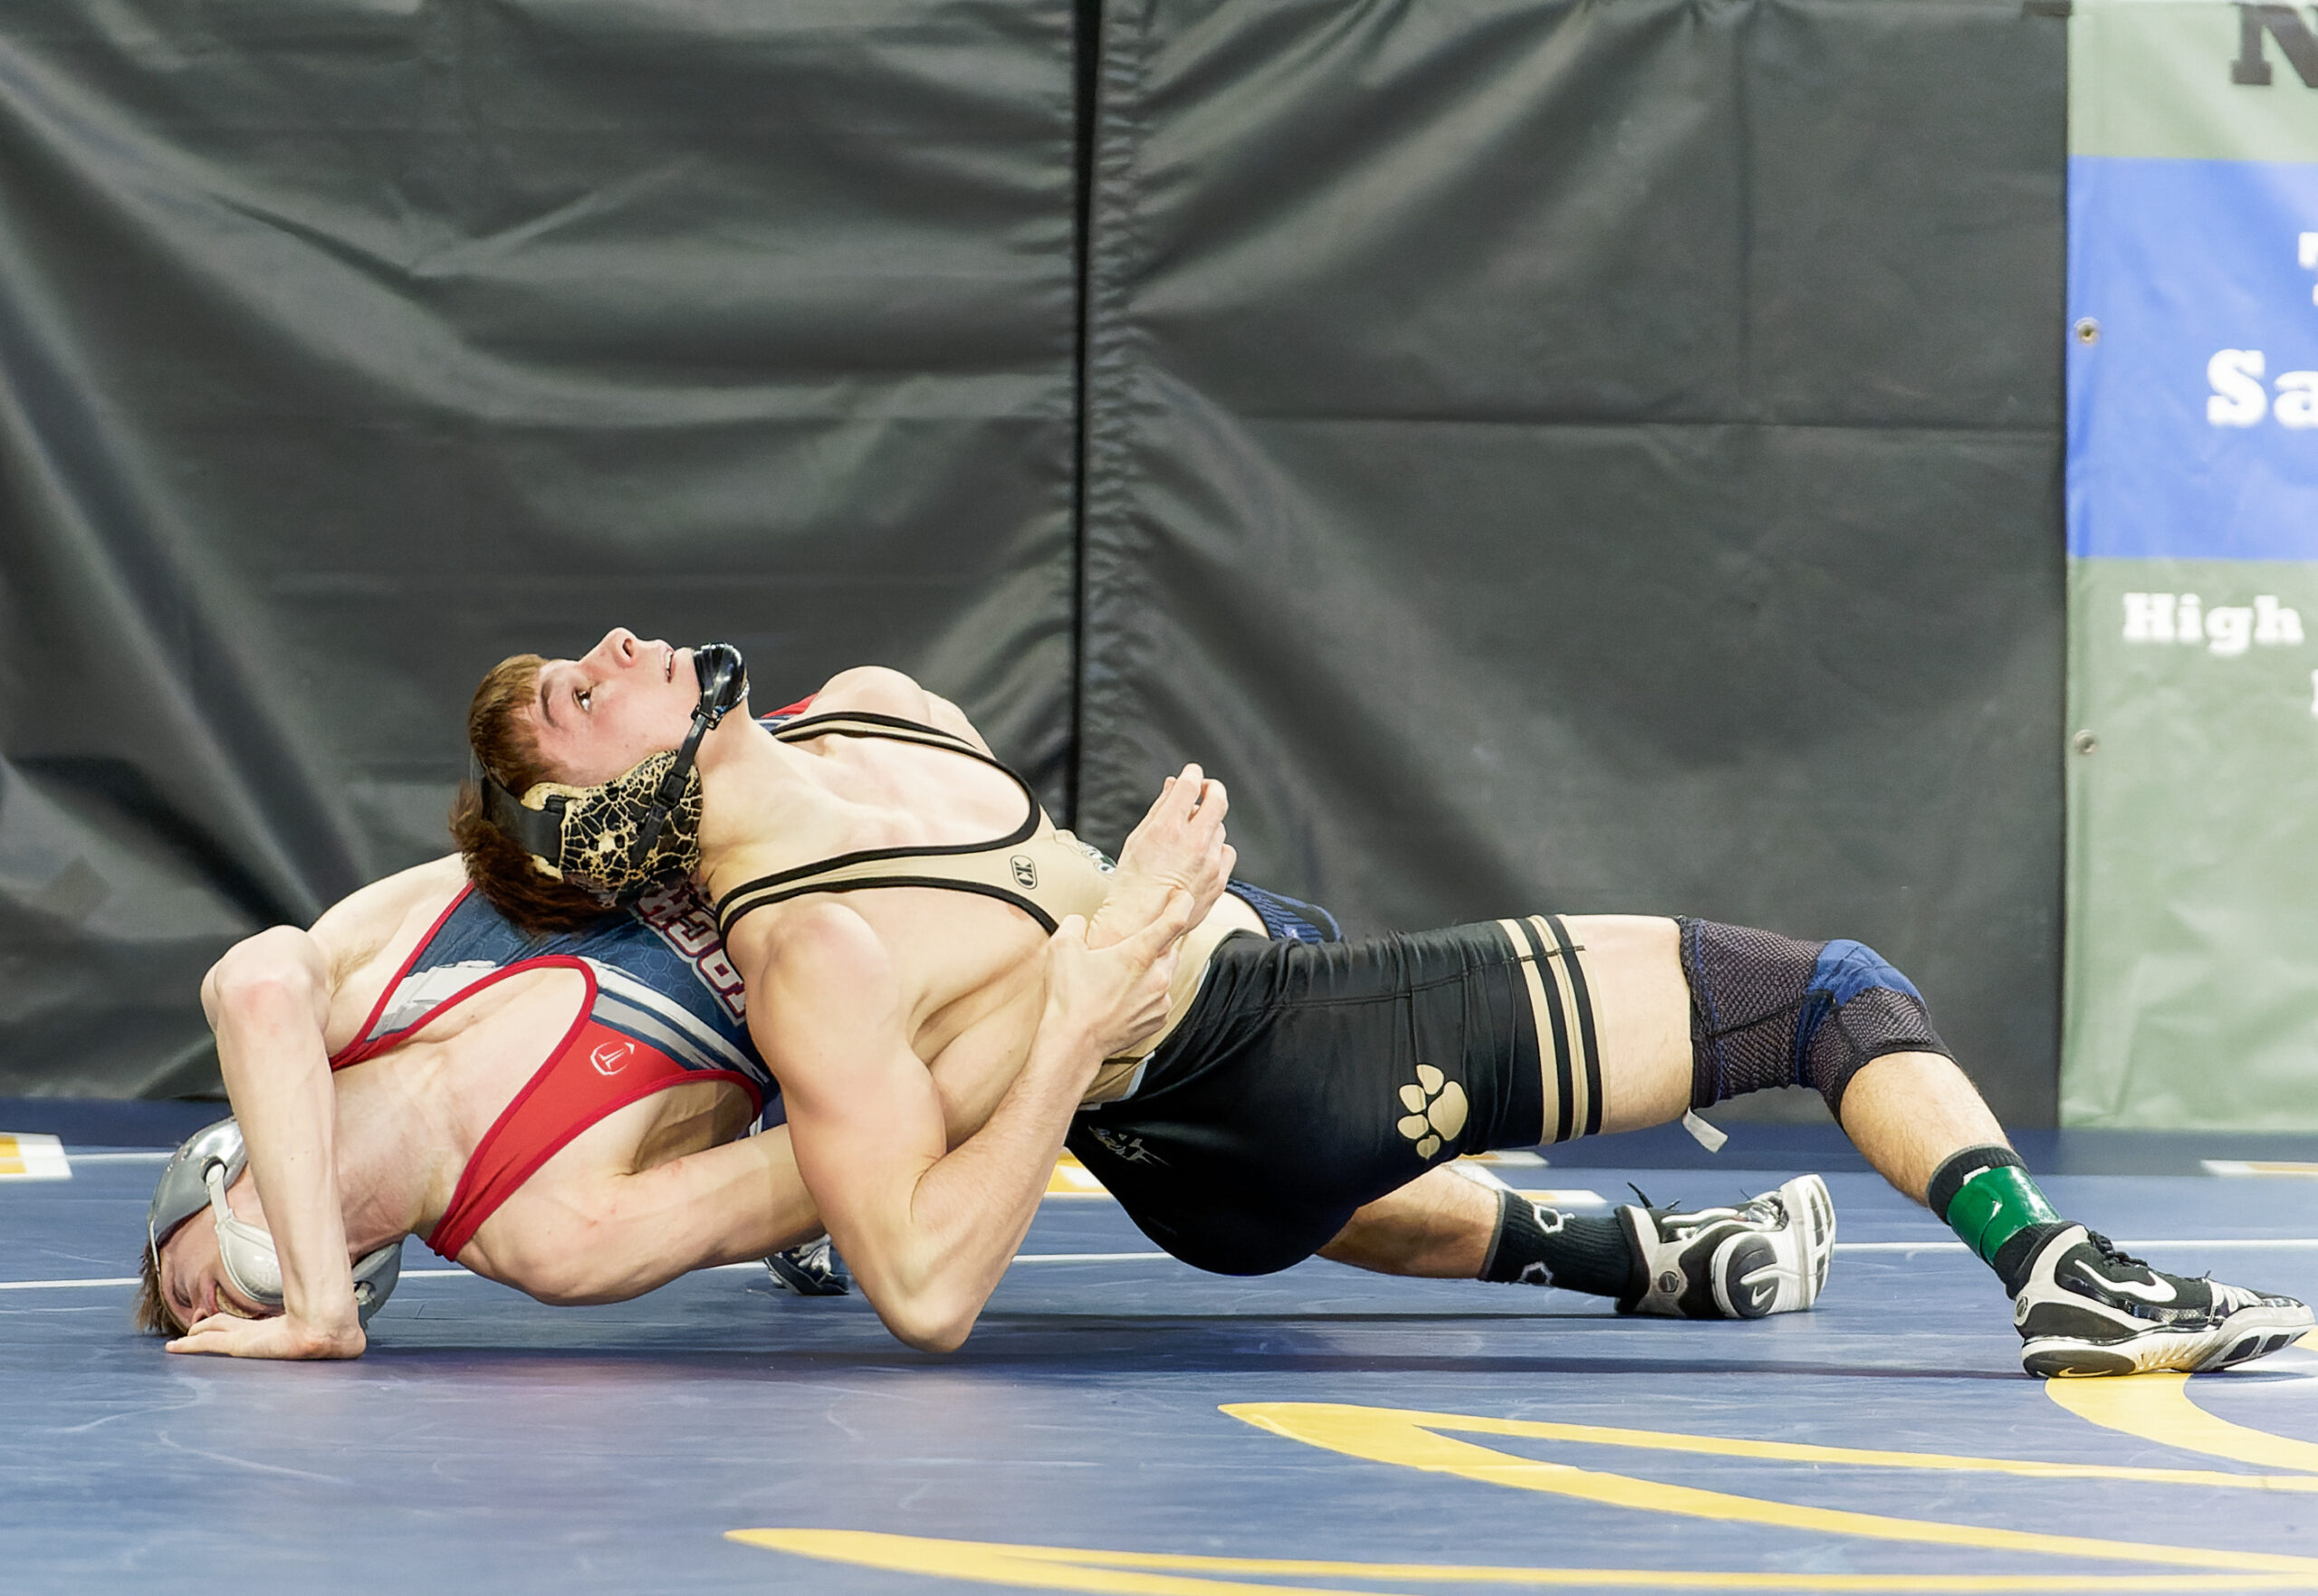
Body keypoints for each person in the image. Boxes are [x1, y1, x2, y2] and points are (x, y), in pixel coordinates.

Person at [431, 628, 2308, 1376]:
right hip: (1240, 1070)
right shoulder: (803, 950)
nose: (614, 648)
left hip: (1221, 1106)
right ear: (600, 816)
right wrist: (1083, 992)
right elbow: (924, 1296)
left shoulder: (871, 710)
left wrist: (1097, 970)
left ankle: (1641, 1261)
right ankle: (2059, 1278)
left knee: (1283, 982)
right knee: (1818, 997)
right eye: (576, 699)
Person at [149, 692, 1827, 1356]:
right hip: (917, 1046)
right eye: (204, 1302)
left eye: (204, 1249)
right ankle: (1617, 1250)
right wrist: (1070, 1020)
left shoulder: (383, 971)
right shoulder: (550, 1231)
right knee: (1260, 1137)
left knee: (1273, 1098)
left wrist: (300, 1316)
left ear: (245, 1160)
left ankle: (1609, 1238)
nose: (210, 1278)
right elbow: (869, 1174)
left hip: (942, 901)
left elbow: (250, 988)